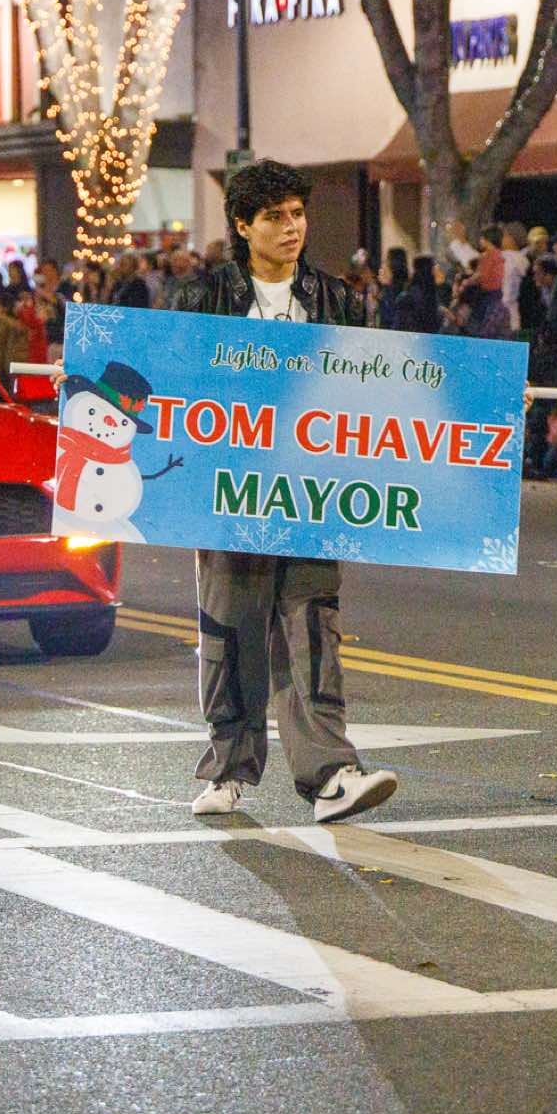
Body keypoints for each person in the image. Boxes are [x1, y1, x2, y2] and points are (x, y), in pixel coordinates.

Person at [170, 159, 394, 824]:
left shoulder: (338, 299)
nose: (292, 227)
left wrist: (490, 406)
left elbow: (385, 384)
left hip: (311, 493)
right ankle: (227, 769)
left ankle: (330, 775)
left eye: (298, 213)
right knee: (231, 630)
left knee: (313, 631)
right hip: (229, 491)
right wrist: (85, 377)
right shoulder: (202, 296)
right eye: (275, 216)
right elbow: (164, 375)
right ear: (243, 226)